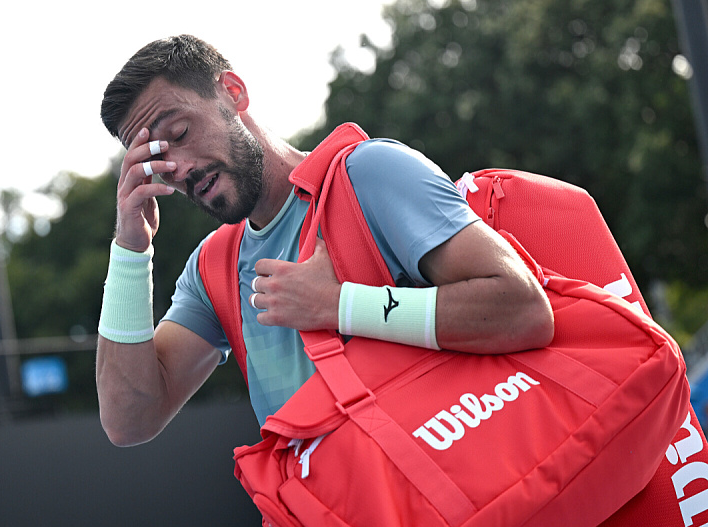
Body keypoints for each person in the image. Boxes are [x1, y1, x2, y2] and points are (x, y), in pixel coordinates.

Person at [96, 34, 554, 445]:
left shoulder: (371, 173)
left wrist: (340, 306)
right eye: (157, 160)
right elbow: (130, 421)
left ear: (232, 93)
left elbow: (523, 309)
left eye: (179, 133)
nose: (179, 167)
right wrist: (130, 251)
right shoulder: (211, 269)